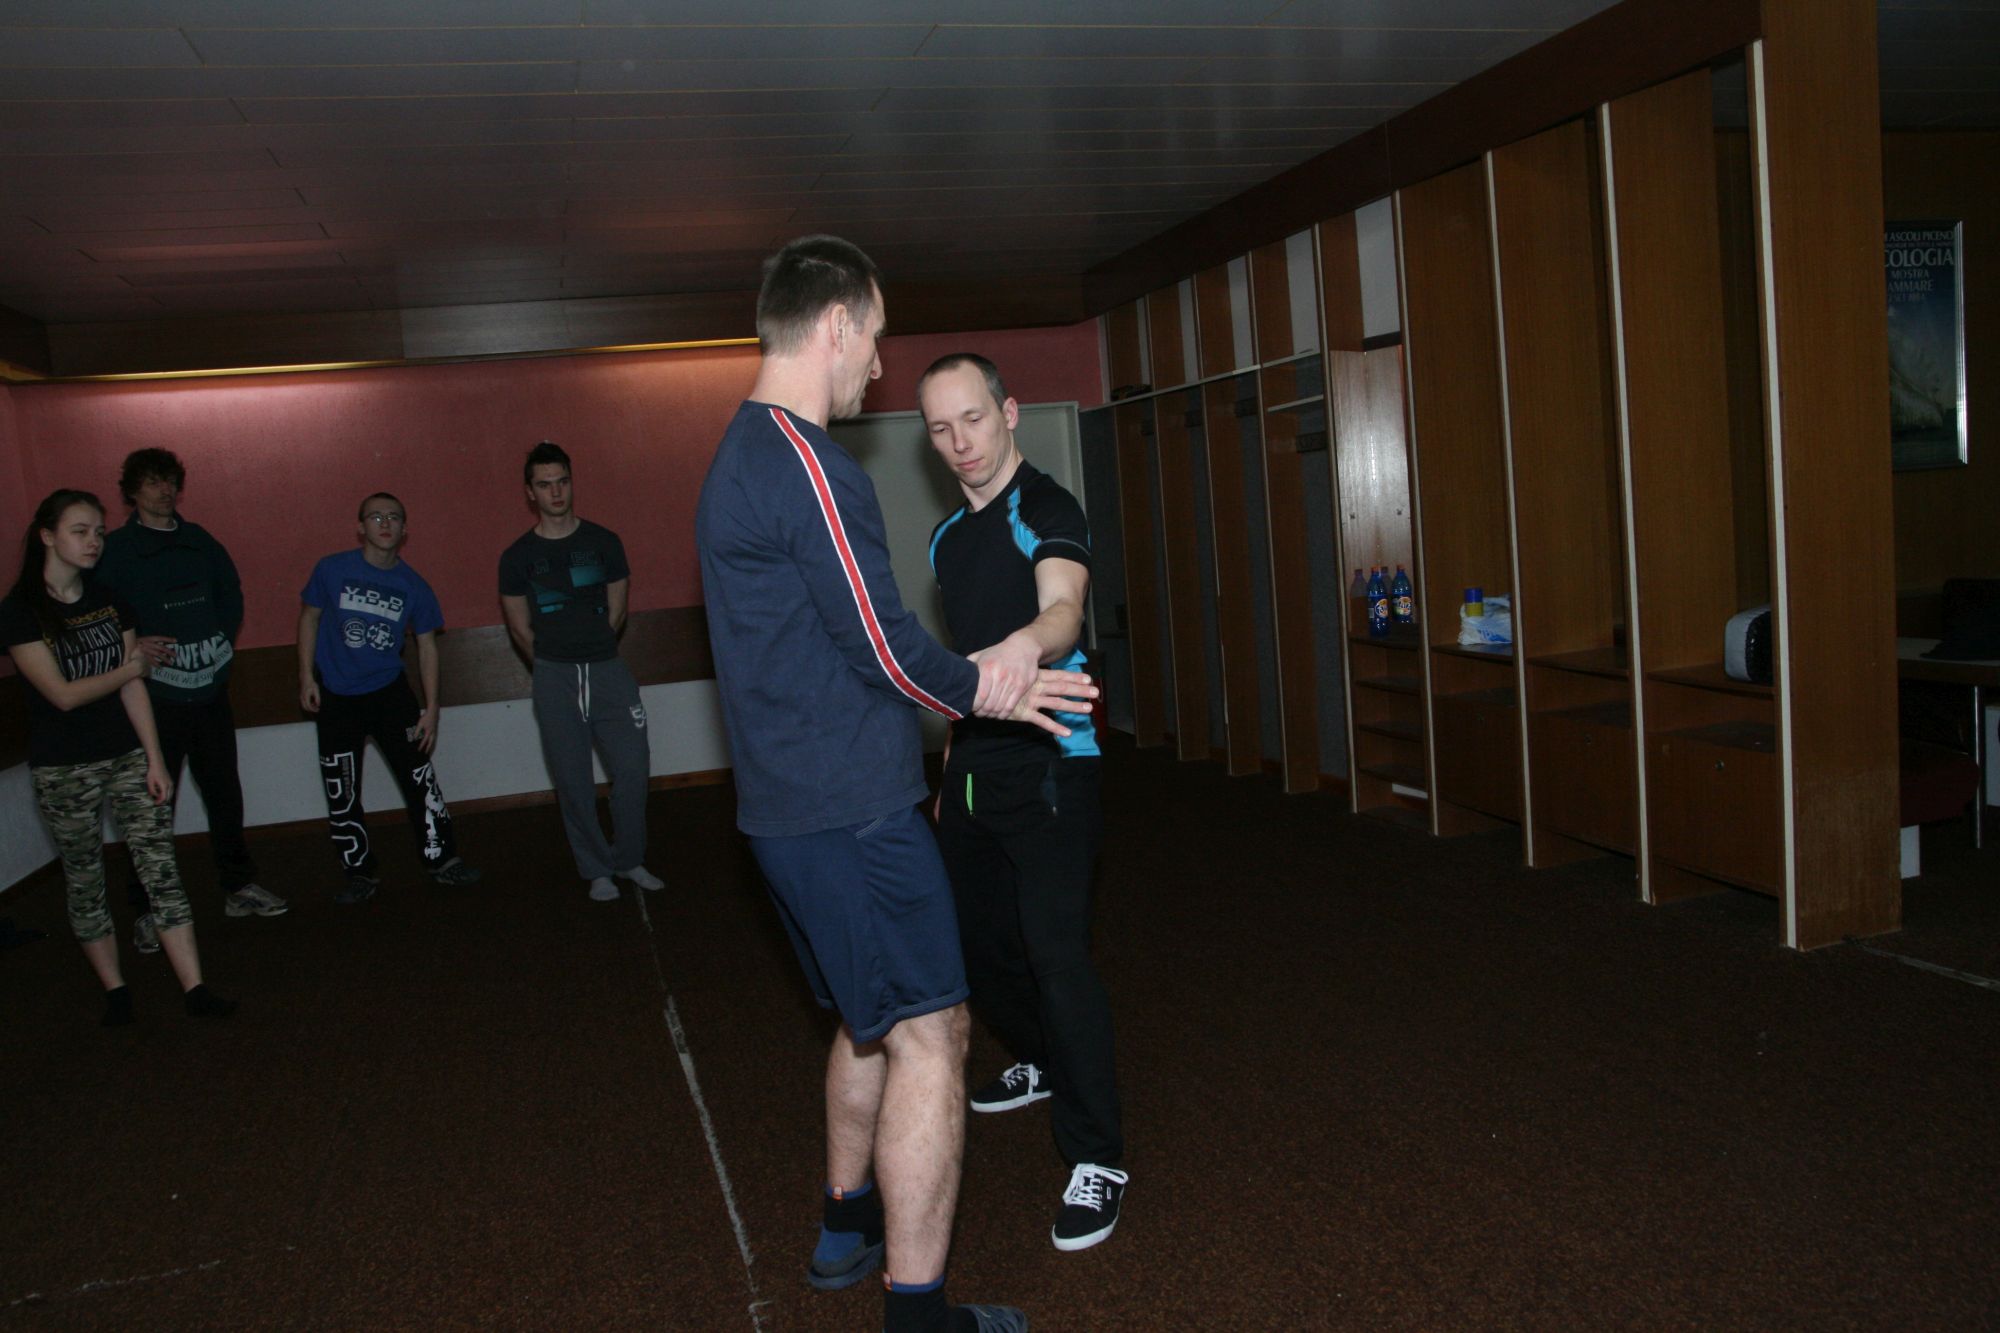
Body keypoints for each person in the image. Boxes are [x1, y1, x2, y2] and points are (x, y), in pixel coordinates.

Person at [697, 235, 1094, 1333]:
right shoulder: (805, 462)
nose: (876, 364)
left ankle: (846, 1222)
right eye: (872, 336)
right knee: (933, 1030)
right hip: (847, 815)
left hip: (789, 810)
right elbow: (881, 642)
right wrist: (996, 689)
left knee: (867, 1018)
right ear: (835, 324)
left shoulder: (739, 451)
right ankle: (920, 1318)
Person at [919, 353, 1126, 1252]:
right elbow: (962, 666)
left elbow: (1064, 606)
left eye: (973, 418)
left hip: (1050, 764)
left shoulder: (1046, 507)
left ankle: (1098, 1154)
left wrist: (1025, 646)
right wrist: (948, 773)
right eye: (940, 428)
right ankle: (1043, 1056)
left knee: (1054, 952)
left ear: (1008, 412)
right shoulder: (942, 539)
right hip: (973, 770)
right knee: (974, 948)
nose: (961, 442)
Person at [1, 489, 237, 1024]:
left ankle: (195, 987)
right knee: (86, 879)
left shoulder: (110, 601)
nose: (93, 542)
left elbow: (135, 690)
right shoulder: (19, 613)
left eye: (99, 533)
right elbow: (63, 695)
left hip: (127, 754)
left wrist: (155, 758)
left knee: (162, 869)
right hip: (63, 768)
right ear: (47, 536)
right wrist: (132, 667)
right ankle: (115, 990)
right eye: (80, 531)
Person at [96, 447, 286, 957]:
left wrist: (219, 641)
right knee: (152, 804)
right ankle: (146, 909)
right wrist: (132, 645)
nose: (164, 491)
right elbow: (96, 613)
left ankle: (239, 886)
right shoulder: (115, 551)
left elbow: (231, 594)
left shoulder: (200, 541)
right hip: (154, 698)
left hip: (209, 692)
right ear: (132, 492)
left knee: (224, 790)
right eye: (152, 483)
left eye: (170, 482)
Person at [297, 492, 482, 902]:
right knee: (342, 790)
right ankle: (359, 873)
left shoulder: (414, 585)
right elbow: (309, 618)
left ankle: (443, 860)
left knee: (420, 779)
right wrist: (306, 677)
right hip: (336, 697)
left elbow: (427, 647)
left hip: (391, 696)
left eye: (394, 517)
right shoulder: (331, 569)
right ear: (360, 527)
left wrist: (432, 709)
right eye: (376, 516)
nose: (385, 523)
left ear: (404, 530)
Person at [499, 441, 661, 903]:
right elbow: (519, 628)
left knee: (633, 769)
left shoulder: (604, 543)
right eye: (545, 485)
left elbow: (617, 610)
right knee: (573, 781)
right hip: (555, 676)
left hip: (608, 670)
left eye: (562, 482)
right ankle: (597, 869)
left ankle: (629, 858)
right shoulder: (517, 557)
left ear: (572, 483)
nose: (556, 492)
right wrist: (553, 666)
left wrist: (593, 651)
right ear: (530, 492)